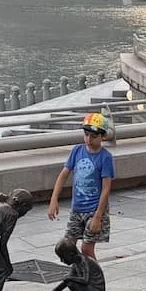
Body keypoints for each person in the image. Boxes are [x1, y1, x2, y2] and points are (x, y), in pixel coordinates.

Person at [48, 113, 115, 264]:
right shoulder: (77, 151)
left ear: (102, 137)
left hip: (94, 210)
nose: (89, 140)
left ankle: (95, 280)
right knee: (67, 245)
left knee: (87, 248)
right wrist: (54, 199)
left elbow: (106, 189)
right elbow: (63, 175)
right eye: (86, 135)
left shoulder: (105, 157)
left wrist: (98, 216)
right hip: (77, 209)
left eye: (93, 136)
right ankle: (79, 273)